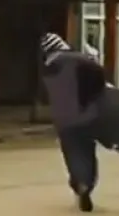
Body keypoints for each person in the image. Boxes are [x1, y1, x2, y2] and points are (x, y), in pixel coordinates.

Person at [40, 32, 108, 213]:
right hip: (87, 114)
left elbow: (45, 93)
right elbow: (100, 75)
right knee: (88, 151)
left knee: (72, 153)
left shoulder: (47, 67)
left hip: (63, 119)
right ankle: (88, 183)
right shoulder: (80, 60)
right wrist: (91, 96)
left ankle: (79, 183)